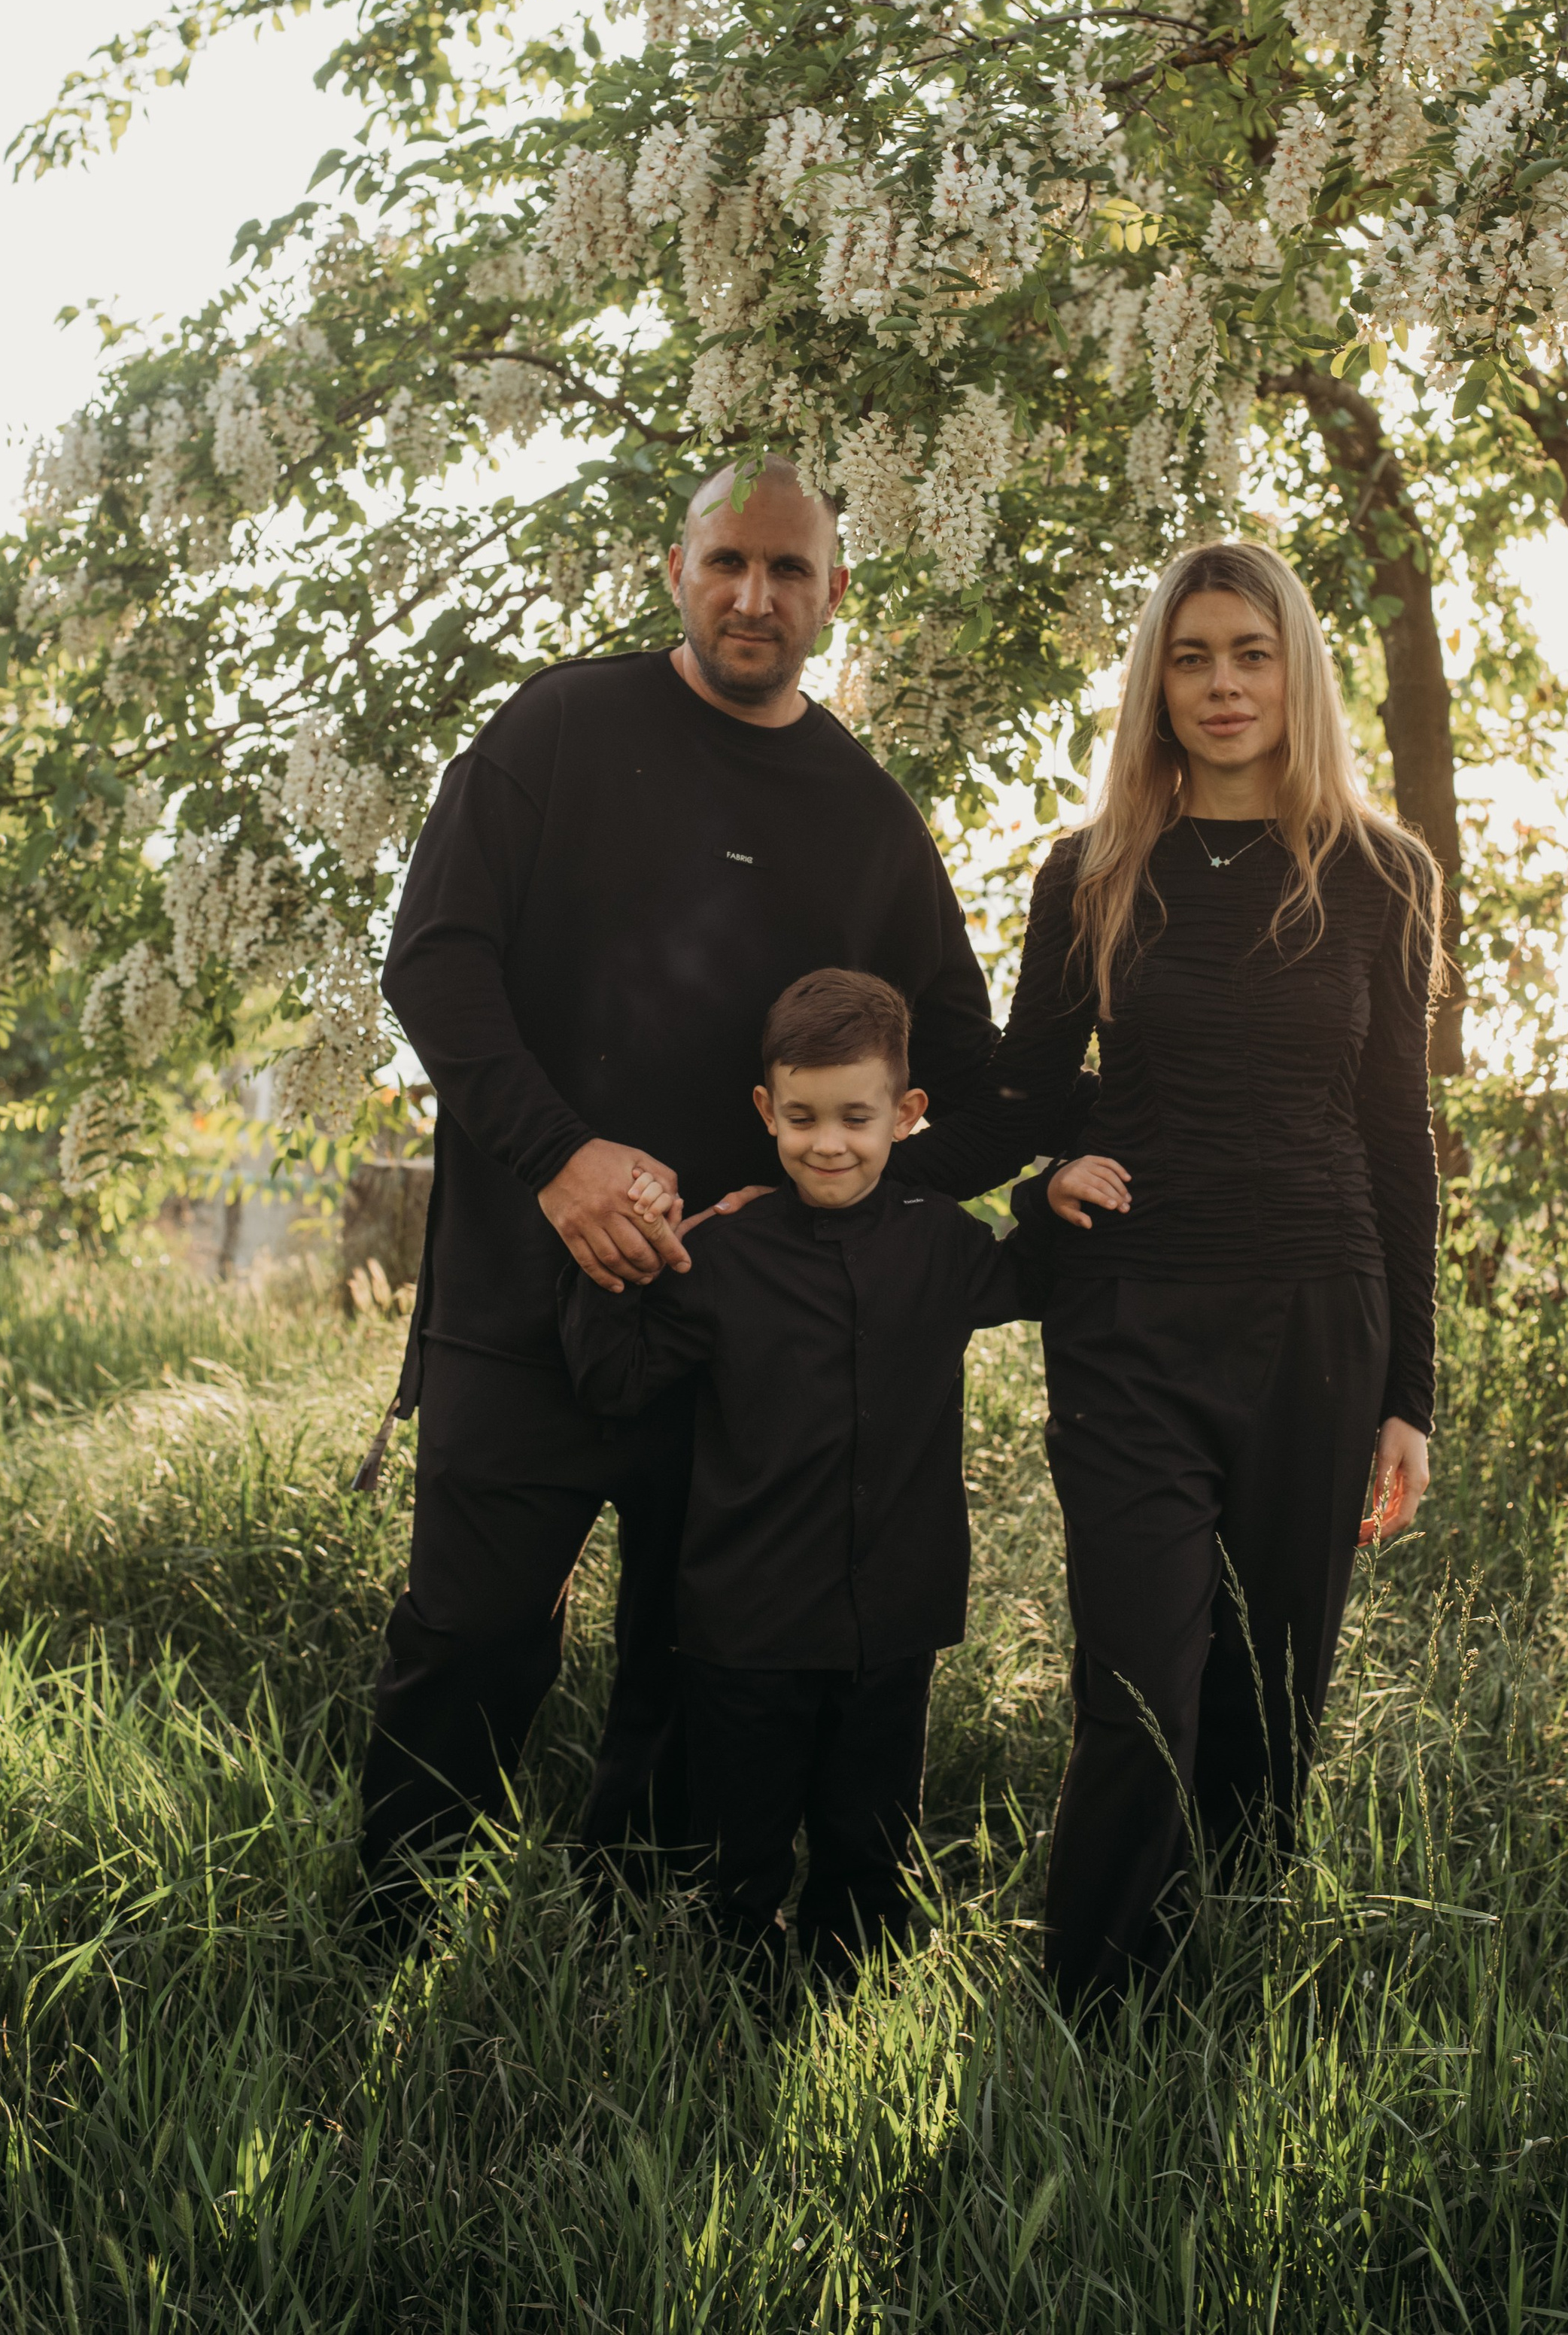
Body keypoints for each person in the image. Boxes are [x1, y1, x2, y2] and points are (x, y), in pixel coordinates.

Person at [357, 458, 1071, 1926]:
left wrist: (828, 1216)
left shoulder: (867, 816)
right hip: (517, 1289)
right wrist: (558, 1157)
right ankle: (388, 1928)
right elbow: (432, 959)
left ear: (834, 594)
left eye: (789, 570)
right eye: (728, 563)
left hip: (744, 1347)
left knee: (686, 1661)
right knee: (471, 1630)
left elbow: (983, 1087)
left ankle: (634, 1939)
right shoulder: (560, 729)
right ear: (673, 570)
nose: (756, 595)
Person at [972, 537, 1441, 2008]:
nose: (1222, 684)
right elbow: (1029, 1088)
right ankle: (1090, 2021)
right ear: (1153, 682)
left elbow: (1395, 1135)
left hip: (1318, 1312)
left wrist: (1407, 1394)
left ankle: (1222, 2005)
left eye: (1248, 652)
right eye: (1191, 657)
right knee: (1137, 1689)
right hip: (1128, 1317)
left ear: (1293, 668)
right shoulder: (1091, 871)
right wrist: (1043, 1179)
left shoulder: (1379, 874)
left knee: (1266, 1697)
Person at [559, 968, 1098, 1974]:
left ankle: (847, 2022)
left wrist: (1049, 1190)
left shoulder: (941, 1243)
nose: (829, 1142)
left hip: (892, 1620)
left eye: (857, 1116)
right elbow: (611, 1379)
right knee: (740, 1864)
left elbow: (1038, 1273)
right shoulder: (719, 1254)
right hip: (745, 1628)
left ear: (907, 1114)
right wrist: (627, 1253)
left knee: (868, 1854)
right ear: (767, 1112)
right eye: (802, 1117)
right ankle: (734, 2031)